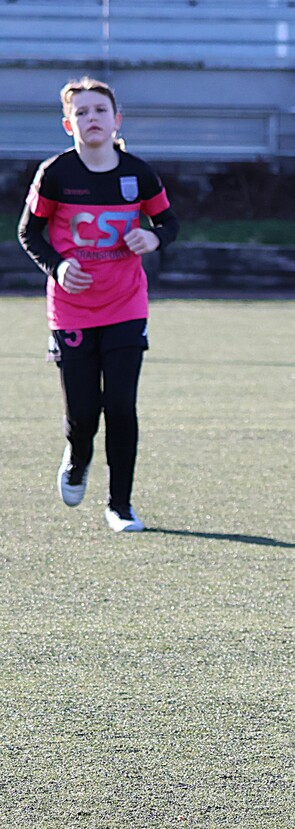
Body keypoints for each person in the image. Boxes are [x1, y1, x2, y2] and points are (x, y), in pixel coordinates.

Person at [17, 78, 179, 533]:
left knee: (121, 406)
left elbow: (168, 222)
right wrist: (58, 267)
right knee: (84, 413)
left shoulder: (139, 174)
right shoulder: (55, 174)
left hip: (126, 304)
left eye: (100, 110)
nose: (92, 118)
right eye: (82, 112)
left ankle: (120, 506)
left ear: (116, 120)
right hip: (72, 309)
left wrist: (154, 238)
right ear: (68, 124)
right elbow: (28, 232)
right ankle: (78, 455)